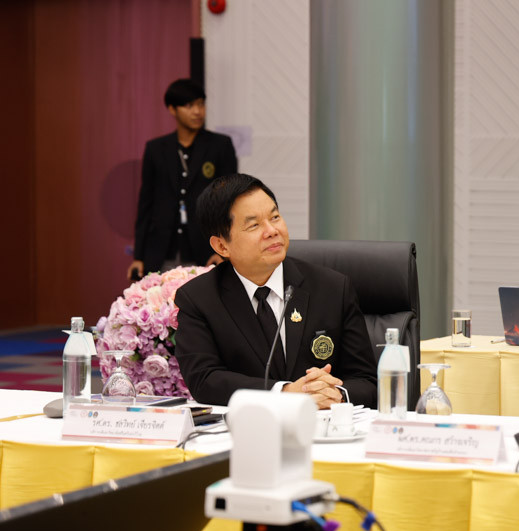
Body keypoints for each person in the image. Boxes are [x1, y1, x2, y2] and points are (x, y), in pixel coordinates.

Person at [174, 173, 378, 407]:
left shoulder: (332, 288)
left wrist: (335, 394)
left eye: (275, 217)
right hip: (247, 425)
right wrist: (284, 392)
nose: (272, 230)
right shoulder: (199, 299)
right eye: (254, 225)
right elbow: (204, 380)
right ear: (222, 245)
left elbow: (367, 381)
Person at [127, 79, 238, 281]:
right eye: (189, 106)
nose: (197, 111)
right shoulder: (156, 149)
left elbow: (229, 203)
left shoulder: (220, 146)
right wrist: (139, 256)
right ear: (172, 109)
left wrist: (223, 250)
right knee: (160, 299)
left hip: (206, 251)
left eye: (201, 104)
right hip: (161, 252)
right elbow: (146, 204)